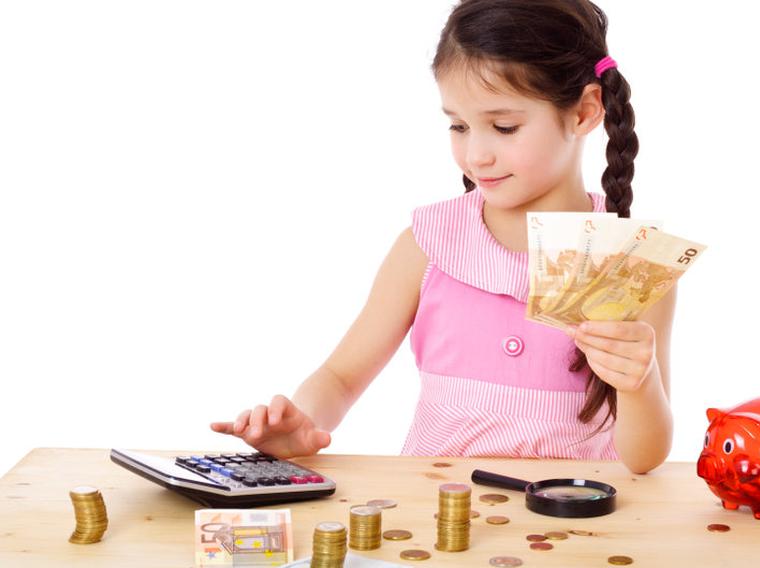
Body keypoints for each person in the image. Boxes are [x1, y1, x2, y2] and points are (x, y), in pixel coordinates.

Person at [211, 0, 675, 474]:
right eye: (458, 125)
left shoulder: (633, 262)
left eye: (504, 127)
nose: (476, 155)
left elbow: (644, 459)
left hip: (573, 523)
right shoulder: (427, 244)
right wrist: (301, 424)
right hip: (433, 522)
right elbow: (341, 377)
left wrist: (640, 383)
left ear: (584, 112)